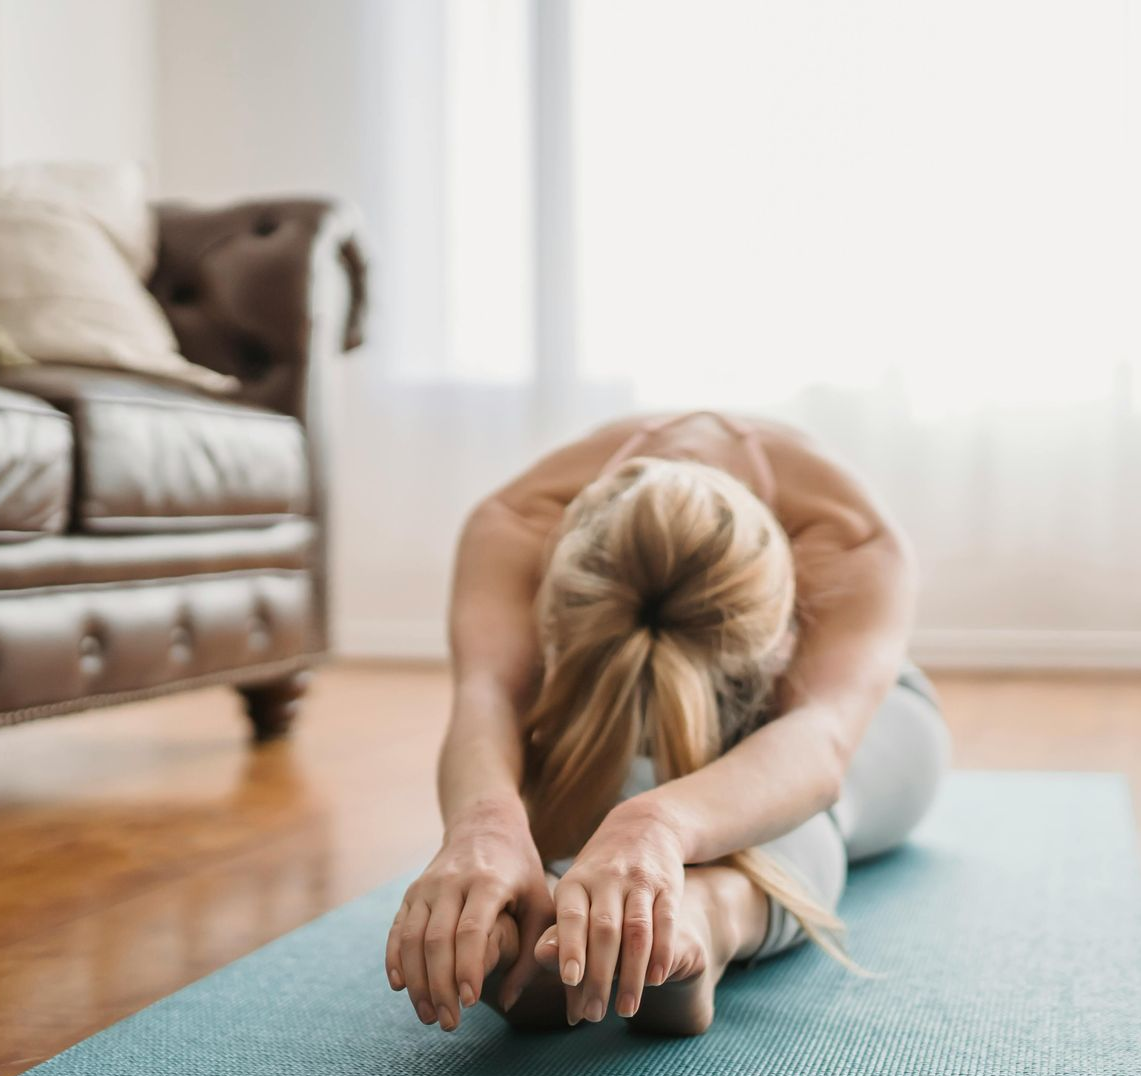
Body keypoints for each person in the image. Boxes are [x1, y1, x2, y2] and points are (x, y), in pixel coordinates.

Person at [383, 411, 949, 1036]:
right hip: (601, 719)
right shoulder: (517, 525)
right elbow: (488, 697)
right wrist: (482, 829)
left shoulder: (848, 539)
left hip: (844, 721)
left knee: (802, 809)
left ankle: (710, 916)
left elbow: (821, 740)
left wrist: (656, 823)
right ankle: (557, 923)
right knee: (615, 793)